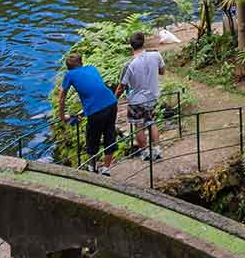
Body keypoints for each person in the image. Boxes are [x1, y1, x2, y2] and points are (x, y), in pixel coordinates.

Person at [56, 52, 118, 175]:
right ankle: (106, 169)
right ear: (81, 62)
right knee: (109, 134)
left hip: (96, 110)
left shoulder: (69, 75)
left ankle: (91, 170)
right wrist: (84, 111)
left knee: (92, 139)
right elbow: (95, 90)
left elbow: (62, 97)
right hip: (111, 102)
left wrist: (62, 116)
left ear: (68, 67)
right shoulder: (91, 68)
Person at [118, 31, 166, 161]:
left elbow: (121, 87)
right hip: (152, 97)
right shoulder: (156, 55)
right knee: (152, 122)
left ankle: (145, 153)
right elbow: (162, 71)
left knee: (139, 125)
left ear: (131, 46)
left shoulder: (129, 65)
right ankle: (157, 150)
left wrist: (113, 100)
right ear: (143, 43)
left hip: (136, 101)